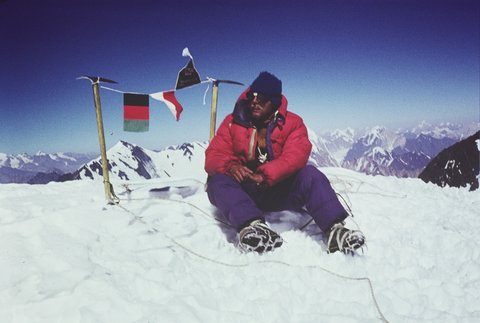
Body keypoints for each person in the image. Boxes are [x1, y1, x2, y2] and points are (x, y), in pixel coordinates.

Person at [204, 71, 365, 254]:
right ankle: (252, 227)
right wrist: (231, 166)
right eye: (252, 96)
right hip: (244, 190)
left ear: (273, 101)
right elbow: (214, 154)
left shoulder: (293, 123)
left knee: (310, 174)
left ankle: (336, 231)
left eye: (262, 98)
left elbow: (295, 156)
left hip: (277, 189)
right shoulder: (232, 122)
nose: (255, 101)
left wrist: (265, 176)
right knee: (216, 180)